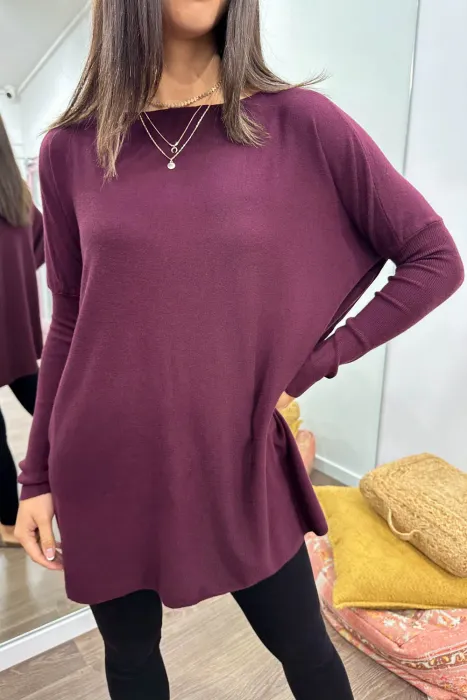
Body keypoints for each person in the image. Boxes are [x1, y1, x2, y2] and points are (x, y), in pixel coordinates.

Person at [15, 1, 463, 698]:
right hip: (104, 454)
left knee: (305, 651)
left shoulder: (298, 122)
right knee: (129, 657)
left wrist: (310, 365)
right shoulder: (70, 148)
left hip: (237, 453)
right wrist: (37, 475)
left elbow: (433, 259)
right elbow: (70, 318)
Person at [0, 116, 43, 547]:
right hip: (15, 335)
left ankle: (10, 524)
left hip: (11, 335)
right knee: (54, 412)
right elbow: (43, 246)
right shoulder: (19, 198)